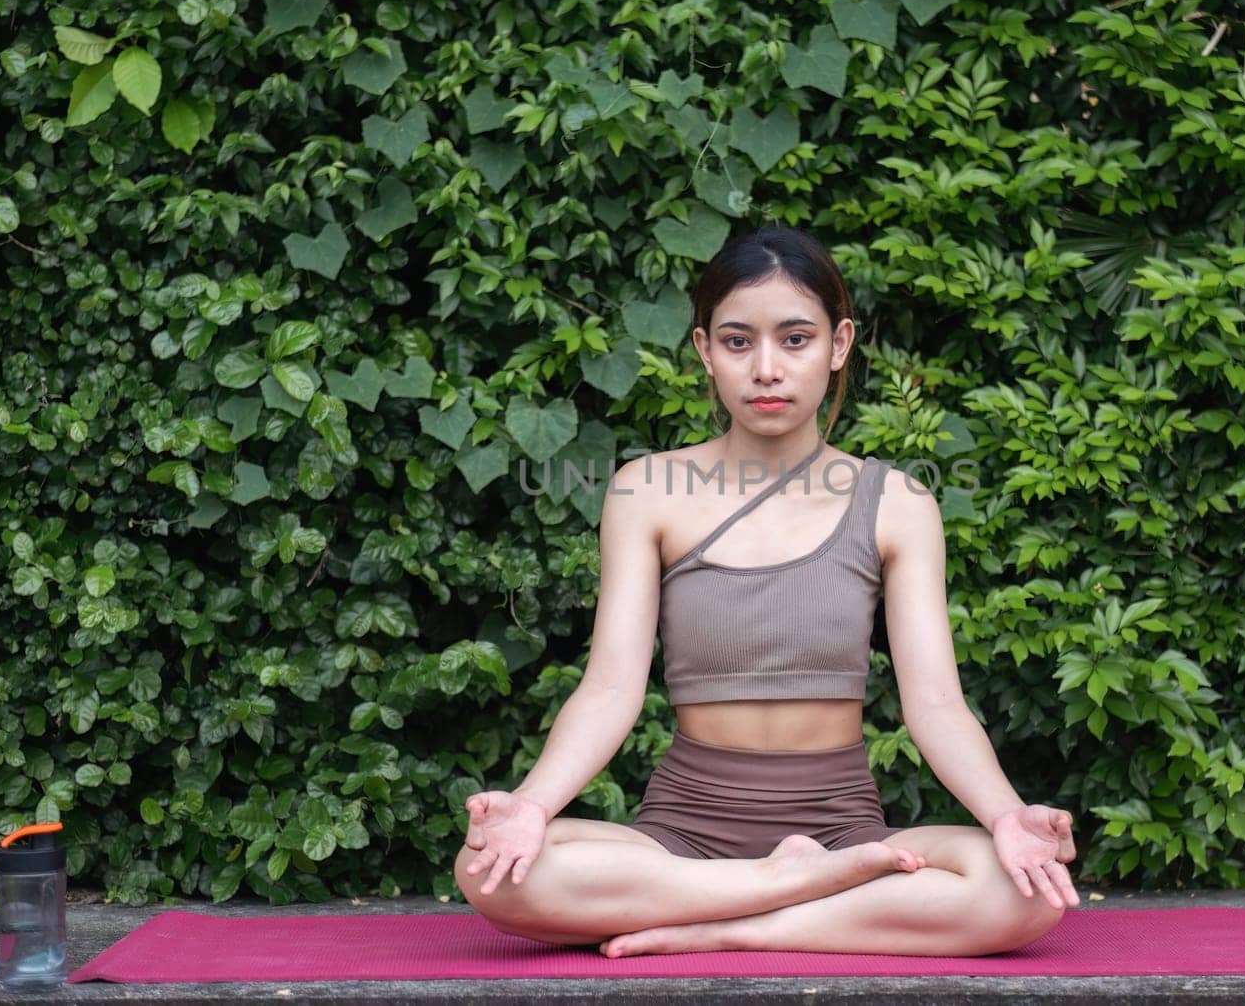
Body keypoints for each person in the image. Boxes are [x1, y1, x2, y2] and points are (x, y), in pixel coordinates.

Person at [454, 225, 1080, 958]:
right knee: (488, 870)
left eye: (795, 339)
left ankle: (734, 924)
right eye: (738, 341)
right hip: (682, 833)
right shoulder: (646, 490)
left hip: (843, 829)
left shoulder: (898, 502)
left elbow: (937, 703)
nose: (767, 369)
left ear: (839, 345)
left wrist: (1006, 815)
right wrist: (530, 806)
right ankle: (790, 886)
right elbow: (611, 687)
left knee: (1021, 891)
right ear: (704, 351)